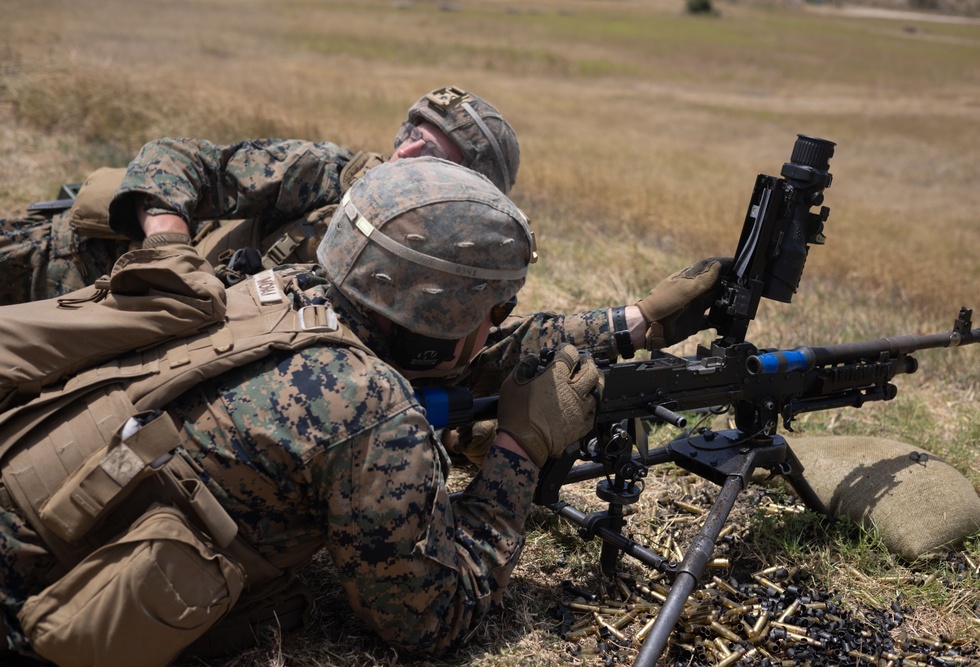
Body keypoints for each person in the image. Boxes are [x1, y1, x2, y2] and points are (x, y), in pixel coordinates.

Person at [0, 157, 610, 665]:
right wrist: (520, 447)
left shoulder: (274, 290)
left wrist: (630, 326)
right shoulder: (373, 412)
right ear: (438, 313)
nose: (492, 325)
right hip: (29, 597)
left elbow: (446, 355)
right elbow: (431, 619)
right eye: (494, 311)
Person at [0, 85, 519, 305]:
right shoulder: (330, 176)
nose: (404, 156)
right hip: (75, 266)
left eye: (432, 156)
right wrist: (168, 250)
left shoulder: (455, 275)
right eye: (409, 136)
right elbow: (178, 157)